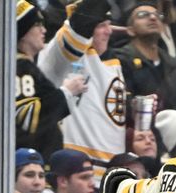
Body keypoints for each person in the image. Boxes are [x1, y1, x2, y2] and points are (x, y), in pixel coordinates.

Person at [37, 0, 125, 182]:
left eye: (109, 25)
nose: (108, 31)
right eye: (101, 26)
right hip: (75, 176)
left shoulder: (111, 63)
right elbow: (81, 24)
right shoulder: (60, 56)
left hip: (111, 179)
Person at [14, 0, 87, 158]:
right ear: (23, 32)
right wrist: (66, 92)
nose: (44, 30)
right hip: (28, 163)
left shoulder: (26, 66)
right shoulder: (19, 67)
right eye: (37, 24)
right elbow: (28, 118)